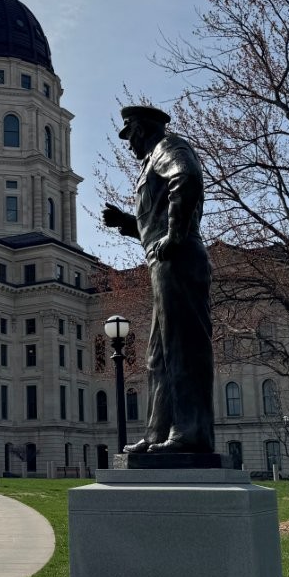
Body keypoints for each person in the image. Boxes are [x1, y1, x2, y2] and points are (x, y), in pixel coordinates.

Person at [103, 105, 217, 454]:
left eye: (130, 134)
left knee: (181, 349)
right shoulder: (151, 160)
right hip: (162, 260)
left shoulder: (169, 148)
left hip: (177, 258)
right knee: (158, 356)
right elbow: (154, 216)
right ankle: (158, 433)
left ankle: (189, 433)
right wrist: (126, 222)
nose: (128, 143)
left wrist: (175, 235)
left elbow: (187, 179)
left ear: (143, 128)